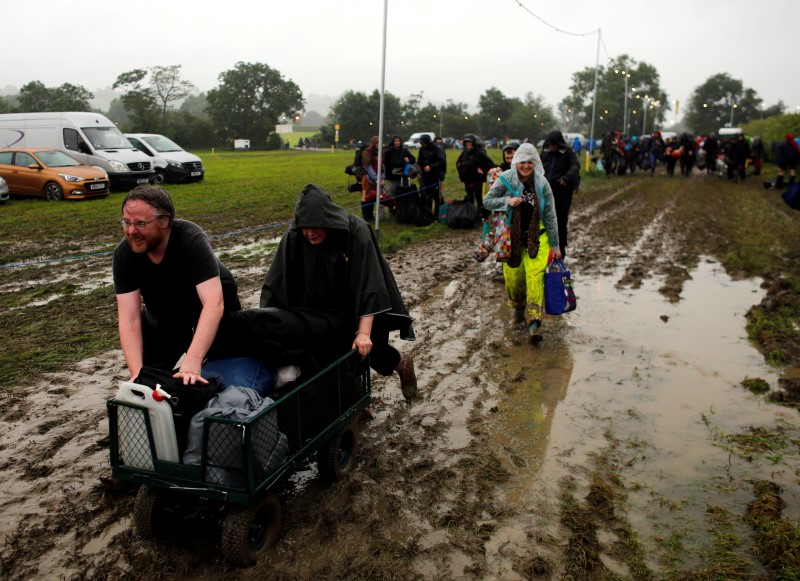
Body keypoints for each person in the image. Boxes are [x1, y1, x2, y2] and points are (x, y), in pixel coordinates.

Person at [260, 184, 418, 399]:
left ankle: (402, 363)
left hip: (361, 304)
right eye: (305, 226)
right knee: (328, 357)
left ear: (328, 220)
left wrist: (363, 333)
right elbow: (277, 281)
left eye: (316, 225)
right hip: (321, 307)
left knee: (368, 351)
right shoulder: (295, 236)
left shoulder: (356, 232)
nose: (310, 232)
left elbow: (368, 282)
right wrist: (269, 325)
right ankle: (357, 402)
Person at [112, 184, 241, 385]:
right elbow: (129, 319)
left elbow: (214, 303)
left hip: (212, 314)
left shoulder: (191, 239)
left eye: (140, 223)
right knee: (149, 379)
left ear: (164, 220)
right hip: (165, 317)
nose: (131, 231)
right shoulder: (124, 254)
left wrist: (193, 359)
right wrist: (137, 374)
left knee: (216, 376)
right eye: (126, 222)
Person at [483, 143, 561, 344]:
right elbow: (488, 201)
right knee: (515, 279)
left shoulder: (542, 184)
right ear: (516, 162)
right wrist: (507, 201)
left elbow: (550, 215)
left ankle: (534, 323)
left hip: (538, 237)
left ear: (535, 164)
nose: (526, 166)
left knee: (535, 277)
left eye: (530, 162)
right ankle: (518, 309)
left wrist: (555, 245)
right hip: (512, 239)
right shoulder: (506, 179)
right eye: (522, 162)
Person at [540, 130, 580, 257]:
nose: (552, 147)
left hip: (562, 192)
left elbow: (575, 166)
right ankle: (547, 248)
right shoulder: (545, 153)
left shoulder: (568, 153)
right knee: (545, 220)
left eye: (554, 145)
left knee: (560, 221)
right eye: (550, 144)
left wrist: (566, 178)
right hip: (546, 191)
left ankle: (561, 248)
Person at [456, 133, 496, 213]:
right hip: (467, 180)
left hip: (477, 180)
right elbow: (458, 163)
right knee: (470, 198)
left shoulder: (479, 153)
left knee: (479, 198)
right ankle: (471, 215)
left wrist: (483, 171)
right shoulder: (464, 153)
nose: (468, 144)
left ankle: (480, 215)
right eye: (466, 142)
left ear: (473, 143)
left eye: (470, 142)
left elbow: (490, 164)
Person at [417, 134, 445, 219]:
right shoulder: (421, 150)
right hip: (425, 177)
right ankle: (428, 214)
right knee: (426, 196)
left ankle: (437, 215)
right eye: (422, 143)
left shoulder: (436, 149)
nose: (423, 145)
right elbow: (419, 161)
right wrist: (418, 171)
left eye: (424, 143)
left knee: (436, 197)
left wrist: (431, 166)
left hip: (435, 177)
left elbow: (441, 161)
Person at [383, 135, 415, 200]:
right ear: (393, 142)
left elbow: (413, 159)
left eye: (399, 141)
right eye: (396, 141)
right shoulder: (388, 151)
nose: (397, 142)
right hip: (392, 177)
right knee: (392, 194)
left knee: (404, 193)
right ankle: (392, 209)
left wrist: (409, 160)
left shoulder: (404, 150)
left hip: (403, 176)